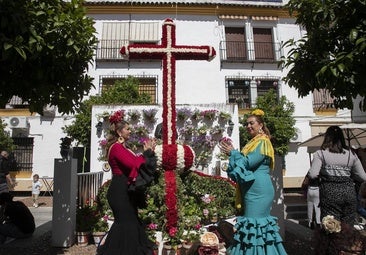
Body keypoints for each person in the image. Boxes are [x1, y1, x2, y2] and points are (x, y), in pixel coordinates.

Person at [219, 109, 287, 255]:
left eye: (252, 123)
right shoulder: (253, 142)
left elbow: (248, 162)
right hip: (252, 190)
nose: (248, 126)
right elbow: (242, 164)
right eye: (247, 124)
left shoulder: (263, 142)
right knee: (253, 228)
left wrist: (233, 153)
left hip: (259, 192)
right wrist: (234, 154)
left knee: (254, 226)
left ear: (260, 125)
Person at [97, 110, 157, 255]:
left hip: (124, 191)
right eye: (127, 129)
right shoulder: (116, 148)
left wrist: (146, 153)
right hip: (119, 192)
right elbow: (133, 164)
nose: (130, 131)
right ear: (119, 132)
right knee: (126, 224)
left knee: (130, 224)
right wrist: (147, 153)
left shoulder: (122, 147)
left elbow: (135, 162)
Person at [308, 126, 366, 225]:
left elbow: (313, 174)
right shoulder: (351, 154)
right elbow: (363, 177)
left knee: (331, 226)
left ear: (327, 137)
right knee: (347, 226)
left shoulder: (320, 153)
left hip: (329, 193)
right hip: (348, 192)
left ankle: (334, 240)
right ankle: (347, 240)